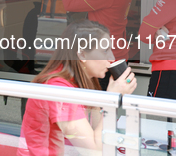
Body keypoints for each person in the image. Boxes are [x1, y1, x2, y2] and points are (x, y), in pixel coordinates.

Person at [18, 20, 137, 156]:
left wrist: (112, 97)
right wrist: (112, 101)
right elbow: (95, 152)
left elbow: (97, 132)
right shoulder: (59, 90)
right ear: (82, 55)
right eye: (105, 51)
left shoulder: (85, 82)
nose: (112, 58)